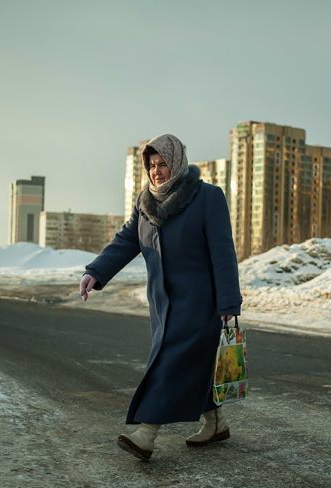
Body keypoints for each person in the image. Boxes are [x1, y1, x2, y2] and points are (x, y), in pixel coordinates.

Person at [79, 133, 242, 461]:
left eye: (163, 163)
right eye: (152, 165)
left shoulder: (207, 197)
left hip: (200, 303)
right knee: (196, 364)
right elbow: (126, 241)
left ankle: (146, 433)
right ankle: (216, 423)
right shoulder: (145, 204)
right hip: (163, 305)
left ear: (177, 162)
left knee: (169, 364)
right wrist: (96, 272)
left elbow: (223, 252)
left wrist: (228, 302)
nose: (157, 171)